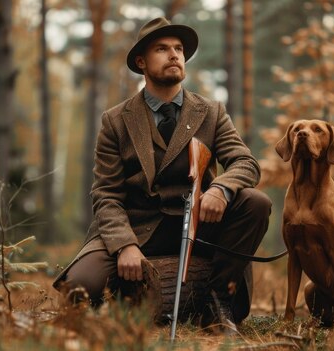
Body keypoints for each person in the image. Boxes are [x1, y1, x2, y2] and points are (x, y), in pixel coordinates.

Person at [53, 17, 271, 335]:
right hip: (139, 226)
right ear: (141, 62)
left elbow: (245, 163)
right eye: (162, 48)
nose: (174, 55)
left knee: (255, 202)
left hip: (198, 225)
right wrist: (125, 245)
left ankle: (218, 303)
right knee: (78, 286)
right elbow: (106, 194)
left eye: (179, 49)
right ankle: (118, 308)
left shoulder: (211, 112)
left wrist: (220, 189)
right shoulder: (115, 121)